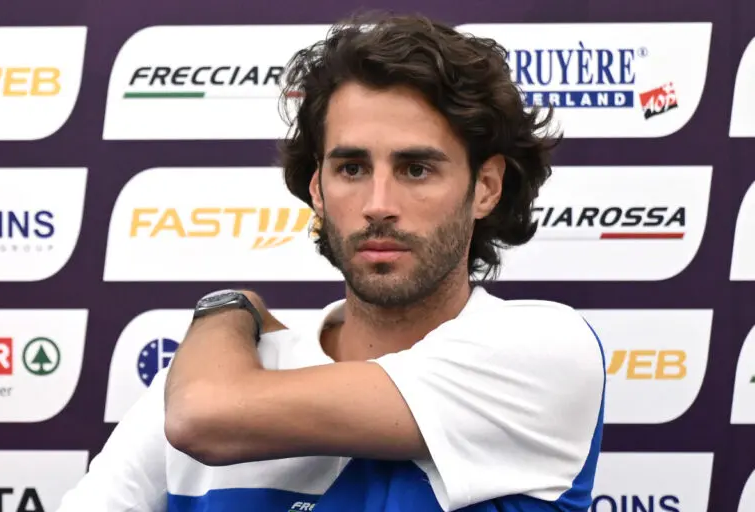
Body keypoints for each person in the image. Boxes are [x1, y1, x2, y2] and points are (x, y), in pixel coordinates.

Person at [58, 11, 606, 512]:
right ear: (317, 189)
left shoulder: (545, 350)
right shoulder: (210, 372)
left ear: (485, 187)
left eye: (416, 169)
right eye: (352, 169)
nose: (378, 205)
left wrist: (227, 308)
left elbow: (202, 417)